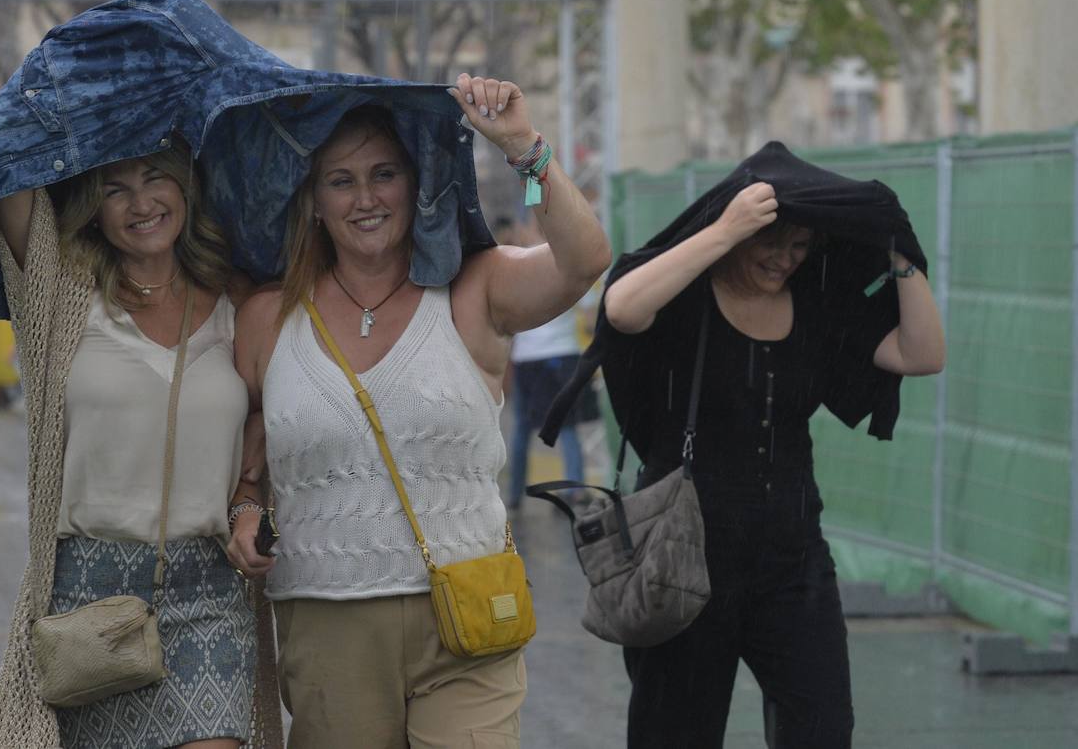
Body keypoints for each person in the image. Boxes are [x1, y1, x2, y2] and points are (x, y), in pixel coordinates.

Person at [227, 74, 612, 749]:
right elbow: (248, 437)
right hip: (327, 621)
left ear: (417, 183)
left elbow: (585, 261)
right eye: (341, 181)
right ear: (312, 201)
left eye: (385, 173)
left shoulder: (474, 289)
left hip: (466, 614)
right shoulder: (268, 317)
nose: (367, 197)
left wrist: (522, 145)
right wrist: (246, 505)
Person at [0, 144, 267, 749]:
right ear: (92, 208)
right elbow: (4, 155)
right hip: (87, 600)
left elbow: (264, 418)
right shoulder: (61, 298)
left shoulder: (241, 302)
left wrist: (247, 501)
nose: (142, 202)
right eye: (115, 189)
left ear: (187, 188)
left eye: (156, 178)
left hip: (206, 593)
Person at [595, 152, 946, 748]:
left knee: (822, 727)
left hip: (792, 561)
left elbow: (922, 355)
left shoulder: (815, 303)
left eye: (800, 246)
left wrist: (901, 257)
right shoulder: (687, 299)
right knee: (674, 733)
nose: (784, 261)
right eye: (771, 244)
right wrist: (724, 229)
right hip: (682, 560)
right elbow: (623, 308)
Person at [504, 216, 593, 510]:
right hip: (563, 354)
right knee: (566, 426)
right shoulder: (573, 262)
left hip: (527, 358)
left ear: (529, 229)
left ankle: (515, 494)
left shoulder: (514, 264)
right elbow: (591, 316)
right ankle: (575, 489)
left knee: (521, 429)